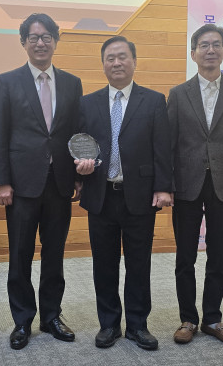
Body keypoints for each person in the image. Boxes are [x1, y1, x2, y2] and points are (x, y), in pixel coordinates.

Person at [0, 13, 83, 350]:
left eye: (46, 37)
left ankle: (52, 316)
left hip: (60, 183)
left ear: (55, 41)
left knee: (54, 254)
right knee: (20, 255)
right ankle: (22, 320)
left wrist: (77, 177)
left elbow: (76, 133)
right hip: (20, 186)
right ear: (23, 42)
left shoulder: (72, 83)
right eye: (33, 37)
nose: (40, 43)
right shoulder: (7, 82)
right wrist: (1, 181)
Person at [75, 36, 172, 350]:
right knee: (103, 265)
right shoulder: (88, 103)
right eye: (110, 58)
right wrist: (79, 169)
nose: (116, 63)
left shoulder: (154, 101)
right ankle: (109, 324)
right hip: (100, 195)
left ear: (134, 61)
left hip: (140, 196)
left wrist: (163, 187)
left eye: (122, 57)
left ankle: (138, 325)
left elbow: (162, 148)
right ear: (103, 64)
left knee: (138, 264)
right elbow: (79, 146)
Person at [167, 24, 223, 345]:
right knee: (185, 257)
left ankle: (213, 319)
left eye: (216, 44)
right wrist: (166, 184)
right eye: (204, 45)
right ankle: (188, 319)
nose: (210, 50)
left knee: (218, 255)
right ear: (193, 53)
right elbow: (168, 144)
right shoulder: (178, 94)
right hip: (186, 184)